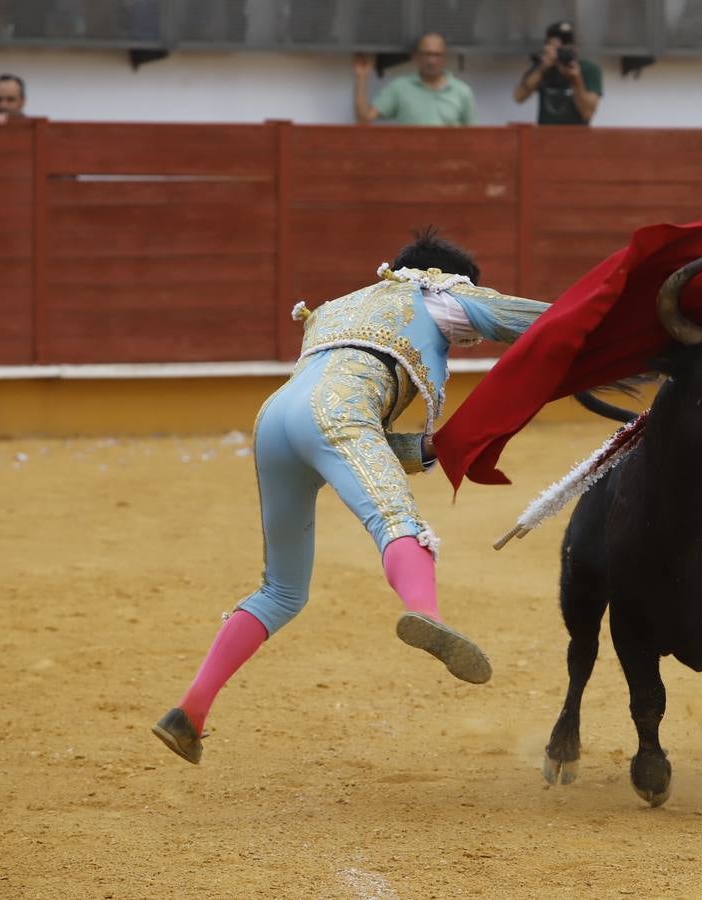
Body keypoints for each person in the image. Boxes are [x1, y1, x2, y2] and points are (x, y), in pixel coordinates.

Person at [151, 229, 550, 765]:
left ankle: (189, 714)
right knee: (395, 520)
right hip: (340, 413)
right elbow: (540, 321)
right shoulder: (438, 292)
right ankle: (424, 612)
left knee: (282, 591)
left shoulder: (336, 309)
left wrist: (427, 449)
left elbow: (344, 432)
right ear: (444, 277)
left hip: (274, 423)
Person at [353, 32, 475, 126]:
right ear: (416, 57)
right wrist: (362, 78)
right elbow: (363, 119)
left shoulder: (462, 92)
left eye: (437, 55)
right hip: (409, 158)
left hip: (449, 158)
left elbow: (473, 137)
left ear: (445, 58)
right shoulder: (399, 88)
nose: (432, 61)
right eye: (427, 54)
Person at [513, 20, 602, 125]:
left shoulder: (588, 69)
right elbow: (518, 97)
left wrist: (576, 80)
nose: (562, 48)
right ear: (547, 45)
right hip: (545, 137)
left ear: (574, 45)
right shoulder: (543, 66)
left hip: (578, 137)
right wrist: (543, 68)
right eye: (557, 44)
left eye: (566, 43)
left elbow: (587, 113)